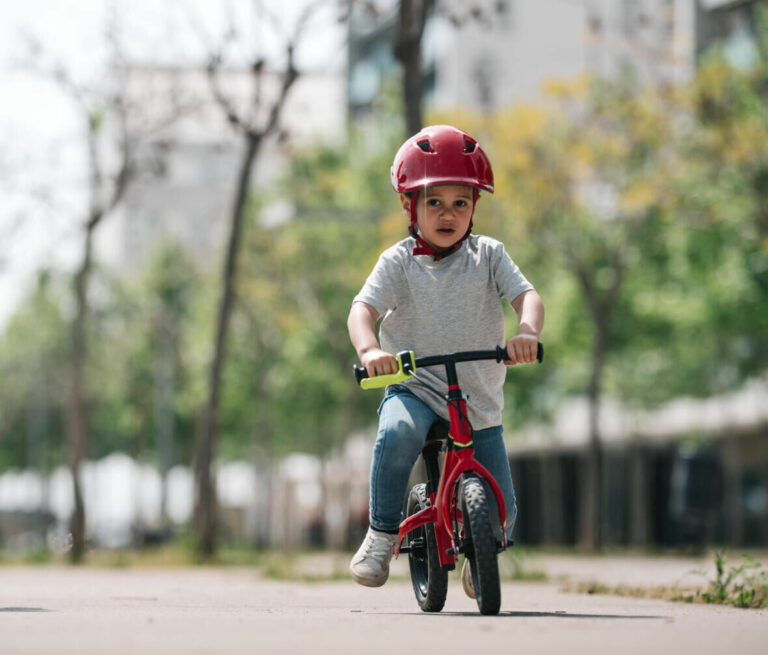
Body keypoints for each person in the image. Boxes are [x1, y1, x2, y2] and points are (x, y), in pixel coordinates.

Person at [347, 125, 544, 596]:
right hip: (414, 388)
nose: (448, 213)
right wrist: (371, 350)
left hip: (477, 397)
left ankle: (482, 557)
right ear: (408, 206)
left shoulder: (489, 256)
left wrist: (527, 332)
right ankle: (381, 532)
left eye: (461, 202)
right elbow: (363, 311)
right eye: (434, 202)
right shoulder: (397, 262)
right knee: (397, 433)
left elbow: (527, 296)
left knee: (505, 510)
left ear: (475, 207)